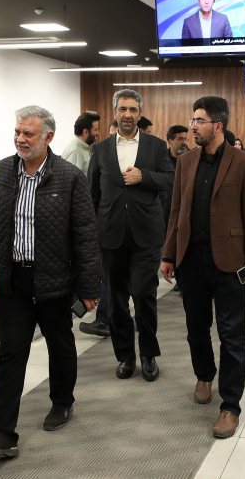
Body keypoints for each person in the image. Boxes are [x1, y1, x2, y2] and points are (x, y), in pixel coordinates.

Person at [0, 105, 101, 459]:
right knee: (9, 355)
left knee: (60, 345)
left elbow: (86, 236)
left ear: (48, 137)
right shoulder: (1, 172)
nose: (20, 139)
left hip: (56, 281)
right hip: (13, 281)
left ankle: (62, 401)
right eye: (17, 132)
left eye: (28, 134)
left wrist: (90, 288)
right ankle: (1, 434)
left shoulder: (69, 177)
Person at [160, 96, 245, 439]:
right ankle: (204, 375)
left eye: (199, 121)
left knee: (232, 335)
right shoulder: (186, 161)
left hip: (231, 260)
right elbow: (176, 210)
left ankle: (230, 406)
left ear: (217, 125)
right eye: (192, 120)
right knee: (196, 328)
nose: (192, 126)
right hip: (191, 260)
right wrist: (169, 254)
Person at [88, 89, 175, 382]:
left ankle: (149, 354)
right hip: (110, 236)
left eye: (133, 109)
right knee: (115, 302)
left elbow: (170, 178)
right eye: (123, 109)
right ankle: (125, 356)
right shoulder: (100, 149)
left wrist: (143, 176)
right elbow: (92, 195)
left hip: (146, 236)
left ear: (140, 113)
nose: (127, 114)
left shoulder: (156, 145)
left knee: (144, 296)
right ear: (115, 112)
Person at [164, 125, 189, 234]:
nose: (184, 143)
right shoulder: (161, 159)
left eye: (185, 139)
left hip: (185, 211)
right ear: (170, 141)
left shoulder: (192, 159)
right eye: (180, 139)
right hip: (166, 211)